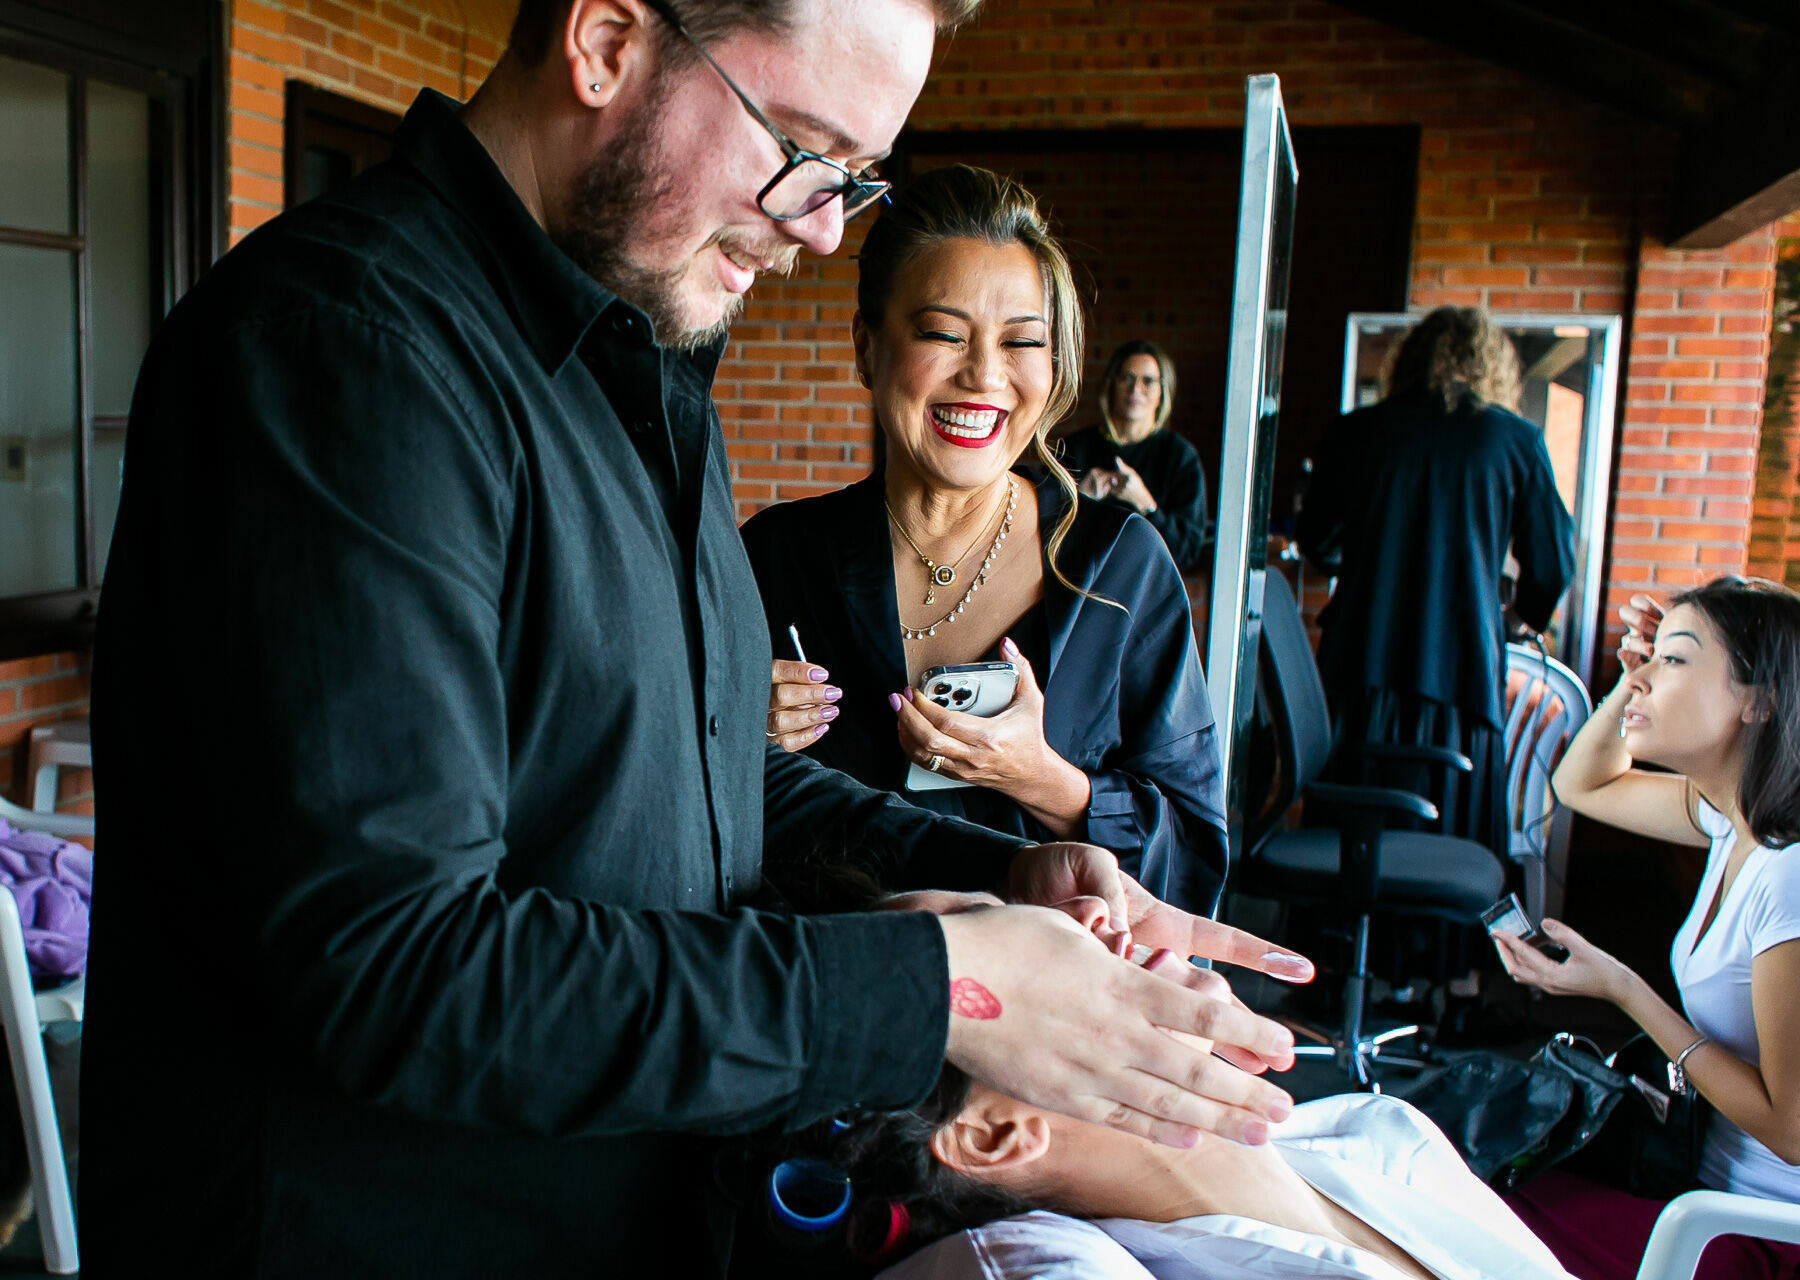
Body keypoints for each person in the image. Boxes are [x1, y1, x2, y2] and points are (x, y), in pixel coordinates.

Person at [81, 3, 1314, 1277]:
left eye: (854, 177)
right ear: (607, 40)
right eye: (799, 144)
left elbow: (714, 770)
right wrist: (939, 982)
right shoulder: (348, 348)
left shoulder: (638, 360)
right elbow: (403, 964)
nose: (828, 226)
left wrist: (1005, 876)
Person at [743, 167, 1226, 917]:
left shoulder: (1119, 570)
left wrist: (1043, 780)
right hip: (816, 1001)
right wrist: (729, 737)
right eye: (943, 333)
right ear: (868, 347)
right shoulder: (775, 555)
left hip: (1044, 1017)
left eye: (1022, 342)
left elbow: (1193, 859)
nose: (984, 374)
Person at [753, 892, 1573, 1280]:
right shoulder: (1055, 1271)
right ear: (991, 1134)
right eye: (1001, 943)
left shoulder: (1376, 1131)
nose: (1087, 917)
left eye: (1024, 907)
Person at [1495, 578, 1800, 1280]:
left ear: (1761, 699)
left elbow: (1797, 1133)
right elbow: (1581, 785)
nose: (1646, 676)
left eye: (1676, 660)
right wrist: (1637, 683)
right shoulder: (1731, 824)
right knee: (1491, 1178)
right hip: (1724, 1210)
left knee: (1485, 1222)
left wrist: (1625, 991)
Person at [1296, 305, 1574, 853]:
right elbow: (1553, 564)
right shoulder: (1515, 440)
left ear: (1411, 360)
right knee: (1449, 837)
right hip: (1463, 675)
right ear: (1490, 366)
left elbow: (1318, 541)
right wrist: (1516, 619)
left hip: (1363, 660)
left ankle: (1338, 940)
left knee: (1349, 837)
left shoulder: (1356, 431)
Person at [1057, 340, 1213, 574]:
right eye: (1126, 378)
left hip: (1146, 592)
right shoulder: (1074, 448)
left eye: (1148, 381)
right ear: (1111, 385)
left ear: (1162, 393)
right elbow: (1043, 532)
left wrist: (1145, 504)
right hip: (1080, 583)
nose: (1135, 389)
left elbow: (1186, 551)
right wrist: (1081, 498)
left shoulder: (1180, 457)